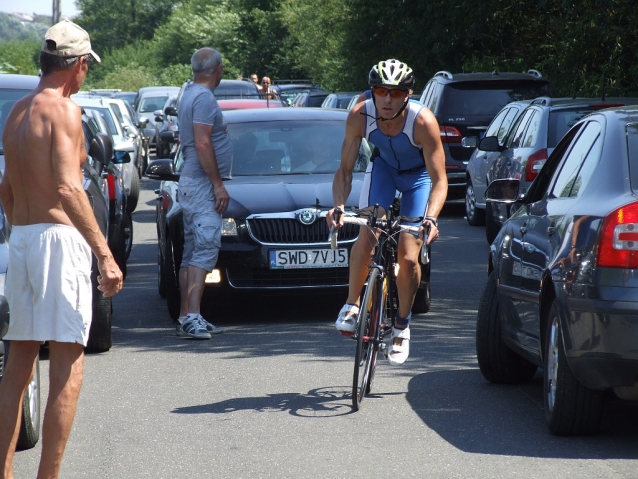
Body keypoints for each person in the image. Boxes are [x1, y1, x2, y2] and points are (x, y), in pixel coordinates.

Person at [0, 20, 123, 478]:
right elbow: (70, 189)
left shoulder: (16, 111)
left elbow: (6, 191)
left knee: (18, 367)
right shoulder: (65, 112)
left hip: (25, 239)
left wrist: (23, 233)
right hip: (57, 240)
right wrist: (105, 255)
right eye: (88, 65)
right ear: (78, 65)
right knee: (68, 366)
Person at [326, 59, 447, 365]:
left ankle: (402, 325)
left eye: (396, 92)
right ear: (373, 92)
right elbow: (344, 170)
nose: (388, 99)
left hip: (418, 179)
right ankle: (353, 306)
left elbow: (439, 180)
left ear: (408, 94)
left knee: (408, 255)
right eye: (381, 91)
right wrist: (339, 206)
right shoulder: (359, 115)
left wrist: (430, 218)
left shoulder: (423, 121)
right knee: (368, 234)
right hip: (383, 171)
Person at [176, 47, 231, 339]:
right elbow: (202, 143)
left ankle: (186, 316)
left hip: (191, 183)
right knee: (205, 249)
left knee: (191, 251)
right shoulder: (204, 98)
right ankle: (193, 316)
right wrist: (218, 184)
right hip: (201, 185)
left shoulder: (189, 93)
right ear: (218, 69)